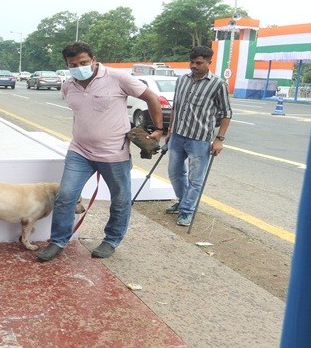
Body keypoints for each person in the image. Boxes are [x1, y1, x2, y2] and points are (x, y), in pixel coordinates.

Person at [36, 41, 164, 262]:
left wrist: (159, 129)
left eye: (83, 62)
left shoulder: (118, 78)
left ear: (94, 59)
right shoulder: (68, 86)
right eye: (72, 64)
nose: (79, 67)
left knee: (120, 199)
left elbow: (151, 97)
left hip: (114, 153)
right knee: (65, 196)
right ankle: (58, 241)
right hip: (80, 152)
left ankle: (112, 239)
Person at [165, 46, 232, 226]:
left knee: (196, 178)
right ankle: (182, 201)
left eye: (199, 63)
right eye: (192, 62)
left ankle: (187, 210)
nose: (194, 66)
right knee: (174, 172)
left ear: (209, 62)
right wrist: (170, 129)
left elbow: (226, 113)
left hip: (199, 139)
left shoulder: (218, 84)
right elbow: (176, 107)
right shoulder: (182, 80)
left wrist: (219, 139)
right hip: (178, 136)